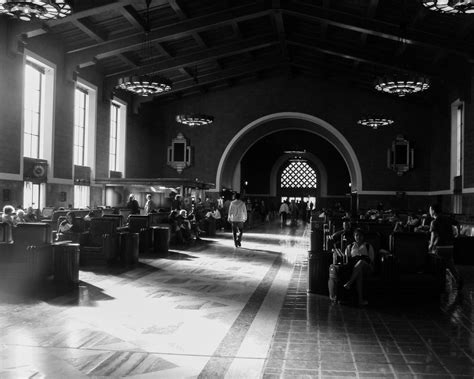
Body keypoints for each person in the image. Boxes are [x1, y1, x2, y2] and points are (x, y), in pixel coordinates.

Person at [428, 204, 463, 289]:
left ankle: (439, 285)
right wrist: (458, 234)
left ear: (433, 210)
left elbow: (433, 236)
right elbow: (457, 224)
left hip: (439, 247)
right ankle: (458, 280)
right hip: (449, 246)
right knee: (450, 265)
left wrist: (430, 245)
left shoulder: (434, 222)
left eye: (430, 210)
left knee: (437, 266)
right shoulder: (447, 218)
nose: (429, 212)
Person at [342, 228, 375, 306]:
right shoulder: (350, 247)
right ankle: (360, 300)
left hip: (367, 267)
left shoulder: (368, 246)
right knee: (358, 272)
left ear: (363, 237)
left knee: (361, 262)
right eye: (357, 235)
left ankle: (349, 283)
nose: (359, 237)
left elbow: (371, 259)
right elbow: (347, 260)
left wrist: (361, 259)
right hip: (355, 268)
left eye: (360, 235)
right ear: (354, 236)